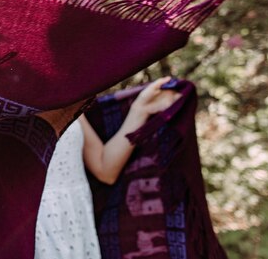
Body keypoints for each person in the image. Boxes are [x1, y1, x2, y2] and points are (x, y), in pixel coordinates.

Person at [35, 76, 182, 259]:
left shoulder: (64, 97)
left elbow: (105, 169)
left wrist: (140, 109)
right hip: (30, 230)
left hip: (75, 226)